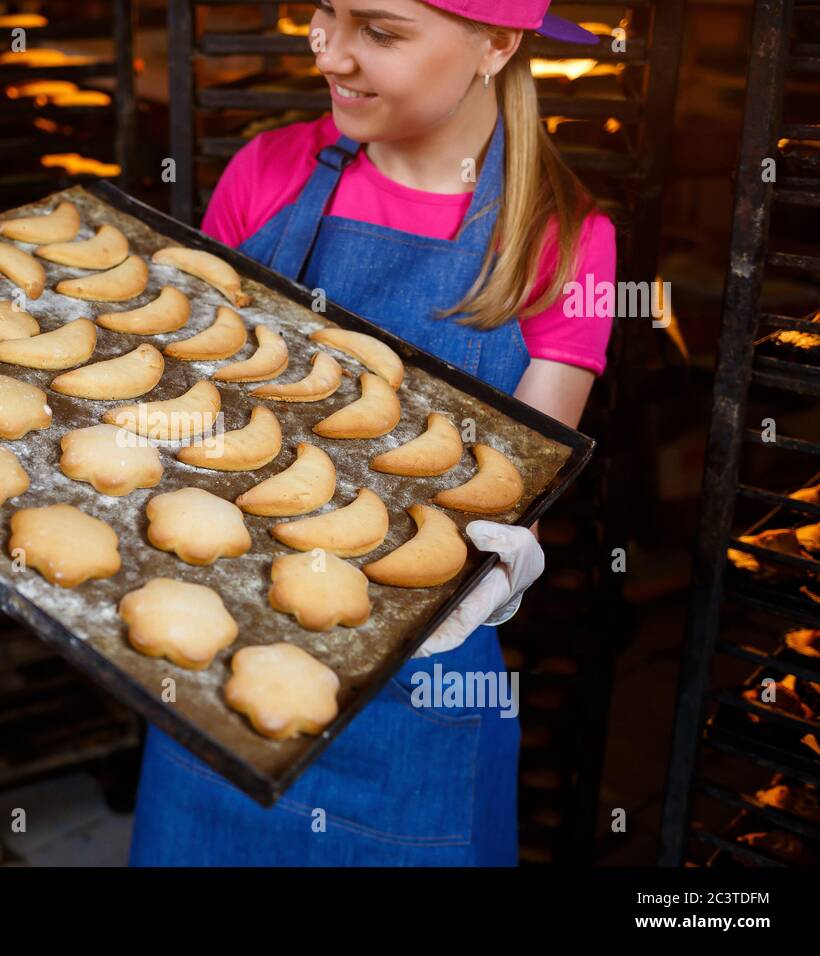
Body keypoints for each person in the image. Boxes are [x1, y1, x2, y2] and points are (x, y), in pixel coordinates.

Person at [125, 0, 616, 866]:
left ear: (496, 44)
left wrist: (503, 566)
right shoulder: (268, 171)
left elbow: (522, 484)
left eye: (380, 32)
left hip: (416, 690)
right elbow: (173, 389)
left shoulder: (566, 246)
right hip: (221, 649)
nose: (332, 57)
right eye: (325, 13)